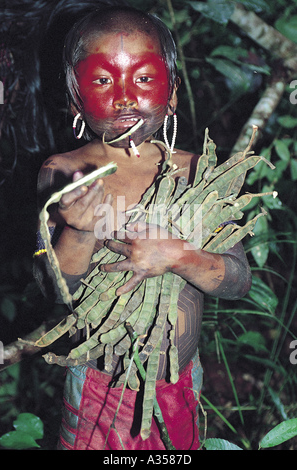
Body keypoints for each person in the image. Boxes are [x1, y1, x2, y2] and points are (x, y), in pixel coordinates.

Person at [33, 6, 252, 451]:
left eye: (144, 78)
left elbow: (239, 281)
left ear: (171, 94)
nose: (126, 97)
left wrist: (180, 256)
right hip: (98, 385)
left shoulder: (199, 174)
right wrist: (77, 231)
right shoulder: (64, 173)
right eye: (102, 80)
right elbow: (51, 288)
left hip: (179, 382)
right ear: (76, 99)